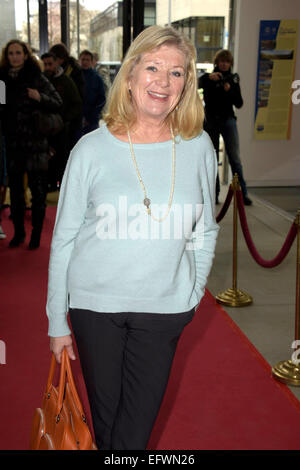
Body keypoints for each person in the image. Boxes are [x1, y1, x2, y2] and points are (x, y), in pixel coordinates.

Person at [47, 25, 219, 450]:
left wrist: (192, 294)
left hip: (164, 311)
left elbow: (206, 231)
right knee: (109, 429)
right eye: (153, 67)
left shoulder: (198, 147)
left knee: (134, 432)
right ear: (130, 74)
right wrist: (56, 320)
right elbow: (64, 238)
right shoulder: (90, 149)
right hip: (95, 307)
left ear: (186, 85)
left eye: (177, 73)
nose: (163, 81)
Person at [0, 39, 62, 249]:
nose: (14, 57)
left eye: (18, 53)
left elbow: (57, 103)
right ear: (6, 57)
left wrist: (39, 97)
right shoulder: (2, 80)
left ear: (26, 55)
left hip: (36, 142)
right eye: (11, 53)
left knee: (38, 193)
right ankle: (18, 233)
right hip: (14, 143)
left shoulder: (37, 77)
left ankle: (35, 235)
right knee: (16, 193)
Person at [198, 49, 252, 205]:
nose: (224, 64)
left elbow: (239, 103)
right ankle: (213, 195)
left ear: (230, 64)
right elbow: (198, 84)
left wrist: (229, 91)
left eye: (227, 61)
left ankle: (242, 194)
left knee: (235, 158)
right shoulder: (209, 78)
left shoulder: (233, 80)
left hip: (228, 121)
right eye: (221, 61)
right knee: (212, 159)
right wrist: (209, 77)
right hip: (211, 122)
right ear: (217, 62)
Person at [41, 52, 82, 190]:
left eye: (50, 64)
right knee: (45, 157)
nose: (47, 67)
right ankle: (48, 183)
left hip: (61, 128)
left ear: (57, 63)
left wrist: (64, 119)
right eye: (45, 64)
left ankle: (60, 184)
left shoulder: (66, 81)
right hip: (44, 127)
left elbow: (76, 104)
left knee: (61, 157)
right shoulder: (40, 80)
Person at [49, 43, 85, 150]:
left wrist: (65, 117)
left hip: (70, 119)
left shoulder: (73, 71)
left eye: (55, 59)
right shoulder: (51, 73)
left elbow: (78, 99)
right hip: (58, 119)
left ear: (61, 58)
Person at [79, 50, 106, 135]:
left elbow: (102, 99)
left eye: (87, 60)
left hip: (92, 119)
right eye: (83, 59)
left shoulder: (97, 78)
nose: (85, 62)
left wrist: (92, 115)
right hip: (78, 118)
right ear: (79, 60)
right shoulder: (75, 76)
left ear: (91, 62)